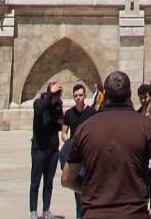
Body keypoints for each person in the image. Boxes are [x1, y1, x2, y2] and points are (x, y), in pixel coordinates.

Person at [63, 69, 151, 219]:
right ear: (129, 94)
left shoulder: (85, 128)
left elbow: (66, 179)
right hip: (134, 214)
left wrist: (88, 192)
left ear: (106, 95)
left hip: (95, 213)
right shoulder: (147, 126)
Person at [31, 82, 65, 219]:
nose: (57, 97)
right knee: (35, 181)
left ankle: (46, 210)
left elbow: (59, 123)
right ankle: (33, 211)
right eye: (55, 94)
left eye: (58, 94)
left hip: (52, 148)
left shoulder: (58, 105)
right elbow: (39, 111)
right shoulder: (38, 103)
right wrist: (50, 95)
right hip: (39, 148)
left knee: (49, 181)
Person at [64, 82, 96, 218]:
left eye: (81, 95)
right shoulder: (69, 114)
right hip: (75, 158)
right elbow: (64, 133)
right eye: (76, 96)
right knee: (78, 191)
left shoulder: (91, 113)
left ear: (85, 96)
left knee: (90, 188)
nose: (78, 98)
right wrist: (71, 143)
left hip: (88, 157)